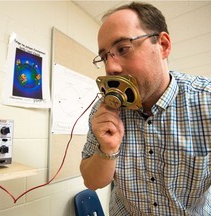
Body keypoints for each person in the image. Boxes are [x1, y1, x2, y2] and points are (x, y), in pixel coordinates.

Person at [80, 1, 211, 215]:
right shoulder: (102, 112)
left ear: (163, 46)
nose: (111, 67)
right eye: (105, 57)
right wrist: (107, 149)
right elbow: (92, 181)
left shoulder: (206, 102)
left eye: (123, 49)